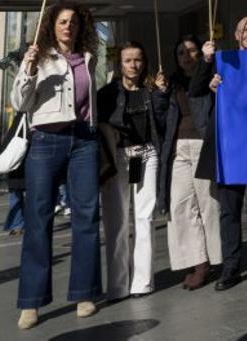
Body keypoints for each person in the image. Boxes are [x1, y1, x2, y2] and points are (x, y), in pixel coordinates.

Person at [10, 0, 103, 329]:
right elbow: (20, 103)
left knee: (87, 216)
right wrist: (29, 70)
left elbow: (90, 101)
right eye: (62, 22)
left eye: (73, 22)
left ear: (81, 27)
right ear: (52, 25)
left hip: (84, 140)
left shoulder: (88, 59)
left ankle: (85, 292)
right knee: (38, 218)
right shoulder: (39, 58)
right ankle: (31, 302)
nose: (68, 27)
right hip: (46, 140)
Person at [196, 16, 247, 291]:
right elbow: (195, 89)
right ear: (236, 33)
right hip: (230, 147)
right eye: (245, 29)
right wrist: (207, 67)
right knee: (229, 210)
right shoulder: (221, 61)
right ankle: (231, 267)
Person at [98, 41, 169, 301]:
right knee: (116, 222)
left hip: (147, 155)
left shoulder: (152, 91)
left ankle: (142, 282)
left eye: (138, 60)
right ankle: (117, 285)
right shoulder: (106, 93)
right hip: (117, 157)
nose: (133, 65)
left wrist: (161, 95)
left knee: (144, 218)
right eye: (128, 60)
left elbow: (161, 125)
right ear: (120, 64)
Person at [162, 35, 222, 290]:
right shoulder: (171, 81)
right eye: (180, 53)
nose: (186, 56)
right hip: (178, 147)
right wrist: (160, 92)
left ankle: (210, 261)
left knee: (208, 204)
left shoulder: (211, 76)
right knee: (179, 205)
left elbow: (205, 96)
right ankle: (195, 260)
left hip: (202, 144)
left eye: (191, 51)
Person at [1, 116, 26, 236]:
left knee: (15, 198)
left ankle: (18, 225)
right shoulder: (29, 124)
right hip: (26, 169)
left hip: (15, 170)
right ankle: (20, 225)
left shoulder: (15, 126)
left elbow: (5, 146)